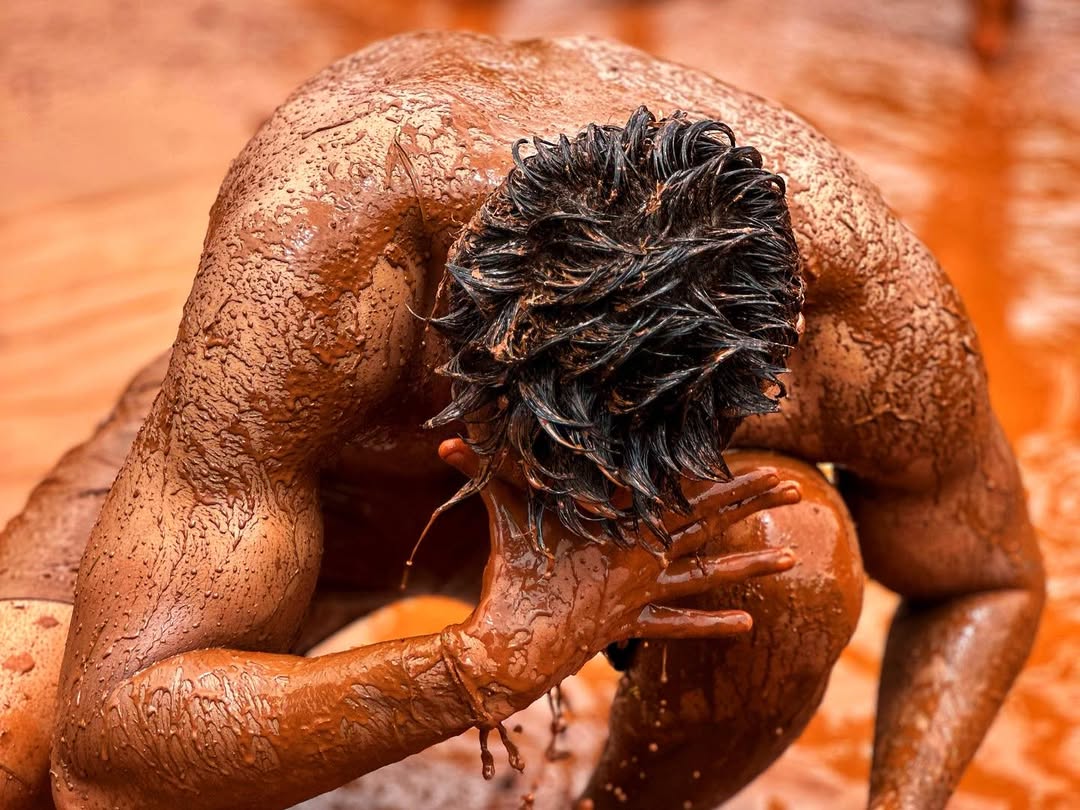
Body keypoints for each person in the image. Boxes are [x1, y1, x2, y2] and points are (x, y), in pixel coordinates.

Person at [0, 32, 1042, 810]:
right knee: (19, 738)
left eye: (598, 482)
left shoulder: (865, 319)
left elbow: (986, 580)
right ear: (459, 330)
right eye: (535, 456)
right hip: (310, 487)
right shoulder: (332, 229)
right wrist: (476, 668)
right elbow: (105, 758)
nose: (548, 505)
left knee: (793, 556)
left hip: (644, 556)